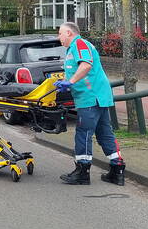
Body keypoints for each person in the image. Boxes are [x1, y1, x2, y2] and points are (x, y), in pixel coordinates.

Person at [53, 22, 125, 186]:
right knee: (104, 132)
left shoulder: (79, 43)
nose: (59, 37)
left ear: (69, 33)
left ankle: (82, 172)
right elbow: (78, 70)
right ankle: (117, 169)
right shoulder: (73, 49)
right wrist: (64, 81)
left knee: (84, 132)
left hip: (90, 97)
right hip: (97, 96)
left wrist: (69, 82)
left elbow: (86, 65)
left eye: (60, 33)